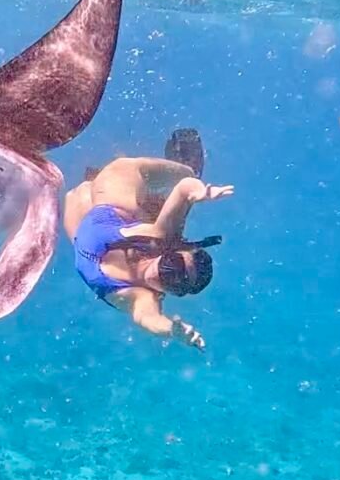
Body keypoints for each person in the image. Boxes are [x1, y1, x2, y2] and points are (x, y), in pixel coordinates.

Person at [63, 129, 233, 351]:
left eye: (175, 282)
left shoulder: (140, 296)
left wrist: (172, 330)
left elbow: (147, 318)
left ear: (175, 293)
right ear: (167, 254)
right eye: (170, 265)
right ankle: (185, 172)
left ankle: (153, 199)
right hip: (116, 195)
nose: (163, 274)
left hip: (83, 217)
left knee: (80, 193)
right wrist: (200, 192)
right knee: (181, 176)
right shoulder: (161, 239)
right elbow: (184, 189)